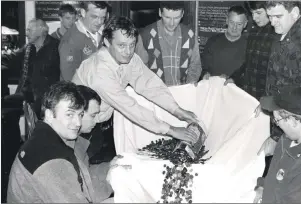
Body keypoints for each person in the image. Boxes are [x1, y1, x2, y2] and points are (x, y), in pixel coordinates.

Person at [72, 16, 200, 145]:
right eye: (121, 45)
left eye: (132, 45)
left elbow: (150, 85)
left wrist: (177, 111)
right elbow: (130, 107)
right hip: (79, 129)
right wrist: (172, 130)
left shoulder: (130, 58)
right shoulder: (99, 72)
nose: (128, 51)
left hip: (102, 123)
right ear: (107, 42)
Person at [7, 81, 114, 203]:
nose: (78, 123)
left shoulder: (44, 141)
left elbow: (82, 176)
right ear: (49, 115)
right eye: (69, 114)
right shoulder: (52, 159)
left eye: (80, 115)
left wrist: (109, 168)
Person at [255, 1, 301, 157]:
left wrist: (275, 137)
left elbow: (295, 102)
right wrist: (267, 103)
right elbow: (279, 79)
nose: (272, 22)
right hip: (285, 121)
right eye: (270, 16)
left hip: (296, 128)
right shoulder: (288, 30)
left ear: (294, 13)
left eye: (278, 16)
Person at [2, 18, 60, 119]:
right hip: (27, 94)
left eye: (29, 30)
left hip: (46, 97)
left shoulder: (56, 47)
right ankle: (12, 134)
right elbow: (11, 58)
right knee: (6, 110)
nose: (26, 33)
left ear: (42, 30)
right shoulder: (29, 47)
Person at [135, 1, 202, 86]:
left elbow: (195, 66)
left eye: (177, 17)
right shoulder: (145, 36)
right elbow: (140, 70)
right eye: (167, 17)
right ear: (160, 12)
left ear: (182, 14)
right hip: (155, 92)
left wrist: (188, 86)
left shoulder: (190, 35)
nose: (172, 23)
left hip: (182, 92)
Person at [225, 1, 280, 100]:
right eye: (252, 13)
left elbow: (278, 75)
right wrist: (234, 78)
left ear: (269, 10)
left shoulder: (278, 34)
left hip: (267, 97)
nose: (254, 18)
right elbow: (248, 63)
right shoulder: (253, 33)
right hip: (248, 94)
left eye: (258, 13)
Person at [59, 1, 110, 81]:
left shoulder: (103, 33)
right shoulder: (70, 40)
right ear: (83, 12)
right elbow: (69, 78)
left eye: (103, 17)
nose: (100, 22)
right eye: (94, 17)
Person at [202, 5, 248, 79]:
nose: (234, 27)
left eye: (239, 24)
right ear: (226, 20)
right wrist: (205, 74)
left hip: (235, 89)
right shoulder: (213, 41)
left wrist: (231, 79)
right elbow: (204, 66)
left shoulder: (249, 46)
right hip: (214, 87)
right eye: (232, 22)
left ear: (245, 24)